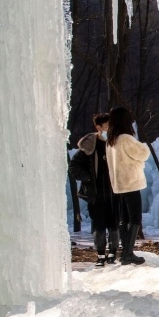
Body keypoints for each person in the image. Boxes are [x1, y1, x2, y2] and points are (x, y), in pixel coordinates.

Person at [69, 113, 120, 267]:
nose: (109, 130)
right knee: (98, 225)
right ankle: (100, 254)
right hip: (96, 193)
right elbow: (73, 166)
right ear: (98, 127)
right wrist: (88, 178)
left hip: (114, 192)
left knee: (114, 223)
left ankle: (113, 252)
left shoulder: (115, 143)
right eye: (106, 127)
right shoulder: (89, 146)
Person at [105, 106, 150, 266]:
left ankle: (125, 251)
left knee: (123, 218)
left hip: (118, 184)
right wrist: (144, 145)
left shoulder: (111, 140)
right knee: (135, 217)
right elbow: (142, 153)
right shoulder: (125, 138)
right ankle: (128, 252)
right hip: (130, 182)